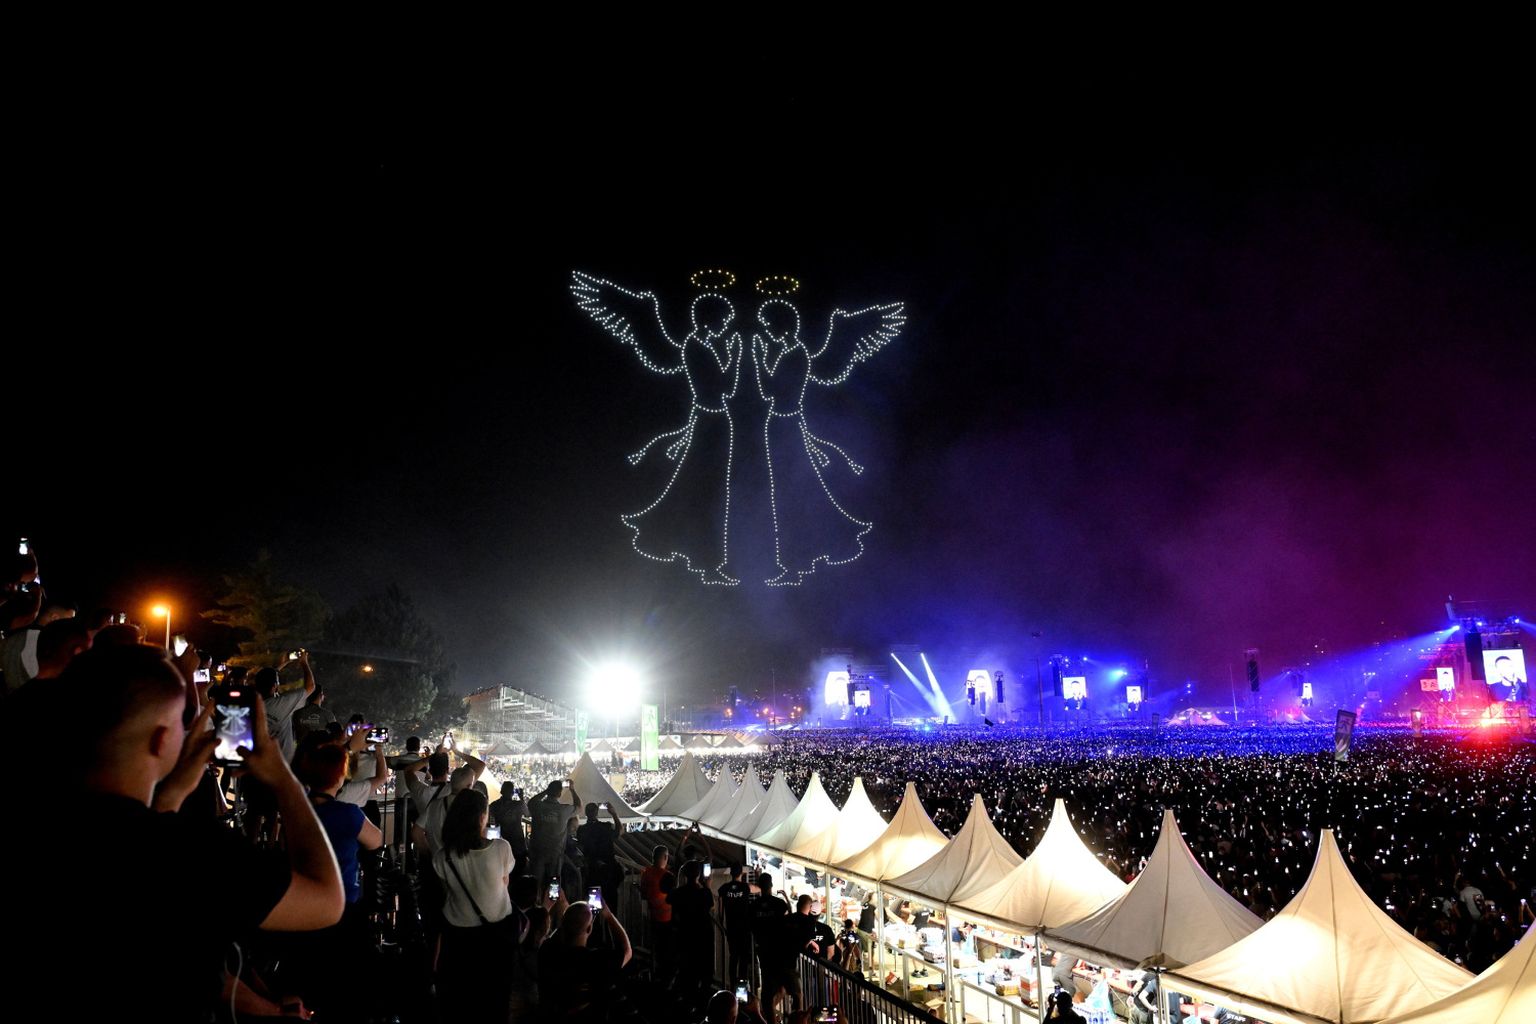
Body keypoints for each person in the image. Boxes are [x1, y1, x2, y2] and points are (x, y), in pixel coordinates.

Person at [10, 644, 345, 1021]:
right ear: (162, 740)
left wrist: (171, 795)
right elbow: (326, 900)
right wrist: (284, 780)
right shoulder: (193, 854)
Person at [432, 788, 522, 1019]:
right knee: (496, 997)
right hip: (496, 935)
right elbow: (504, 883)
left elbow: (448, 892)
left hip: (458, 935)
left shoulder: (442, 857)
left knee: (463, 998)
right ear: (482, 817)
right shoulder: (501, 848)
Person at [540, 900, 633, 1019]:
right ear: (589, 929)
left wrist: (574, 919)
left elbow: (553, 935)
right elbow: (627, 951)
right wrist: (608, 915)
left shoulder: (547, 952)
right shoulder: (595, 961)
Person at [668, 860, 716, 991]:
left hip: (685, 934)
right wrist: (707, 886)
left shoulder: (678, 892)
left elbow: (670, 900)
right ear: (699, 874)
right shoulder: (704, 892)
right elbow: (712, 906)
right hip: (703, 935)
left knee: (688, 970)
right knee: (704, 969)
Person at [529, 778, 580, 890]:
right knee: (553, 885)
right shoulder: (563, 810)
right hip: (555, 852)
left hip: (538, 851)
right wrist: (572, 790)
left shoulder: (537, 806)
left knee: (536, 883)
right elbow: (579, 806)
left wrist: (546, 791)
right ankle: (552, 900)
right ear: (560, 793)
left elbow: (531, 801)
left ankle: (536, 899)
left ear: (548, 790)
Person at [577, 800, 622, 907]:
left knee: (594, 904)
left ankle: (594, 918)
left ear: (586, 813)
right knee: (611, 902)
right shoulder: (605, 827)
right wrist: (614, 814)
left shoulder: (582, 830)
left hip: (592, 870)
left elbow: (581, 847)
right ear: (597, 813)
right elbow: (619, 832)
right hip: (608, 869)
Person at [718, 864, 756, 985]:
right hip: (744, 929)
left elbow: (720, 911)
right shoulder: (745, 887)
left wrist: (722, 926)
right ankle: (742, 990)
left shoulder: (724, 888)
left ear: (731, 873)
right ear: (741, 873)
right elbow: (759, 889)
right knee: (743, 959)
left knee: (733, 957)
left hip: (731, 929)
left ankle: (732, 987)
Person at [489, 780, 529, 875]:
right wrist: (521, 798)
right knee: (519, 870)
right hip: (518, 843)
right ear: (513, 792)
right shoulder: (518, 804)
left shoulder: (494, 805)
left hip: (502, 841)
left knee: (503, 870)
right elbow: (527, 813)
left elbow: (491, 824)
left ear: (501, 791)